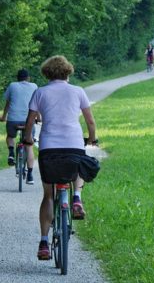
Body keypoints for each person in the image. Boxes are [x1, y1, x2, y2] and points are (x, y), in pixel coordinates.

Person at [22, 55, 97, 261]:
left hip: (49, 147)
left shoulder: (40, 92)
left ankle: (44, 242)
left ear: (47, 73)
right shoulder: (78, 91)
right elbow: (90, 121)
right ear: (68, 72)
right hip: (73, 143)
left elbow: (30, 122)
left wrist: (28, 139)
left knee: (48, 195)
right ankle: (76, 199)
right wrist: (92, 139)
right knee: (79, 166)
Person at [0, 68, 38, 184]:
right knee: (29, 146)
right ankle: (30, 175)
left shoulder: (12, 86)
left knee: (10, 137)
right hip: (28, 121)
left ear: (17, 78)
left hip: (13, 120)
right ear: (28, 78)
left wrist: (3, 117)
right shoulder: (34, 86)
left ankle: (11, 153)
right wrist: (39, 118)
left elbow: (8, 102)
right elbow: (37, 105)